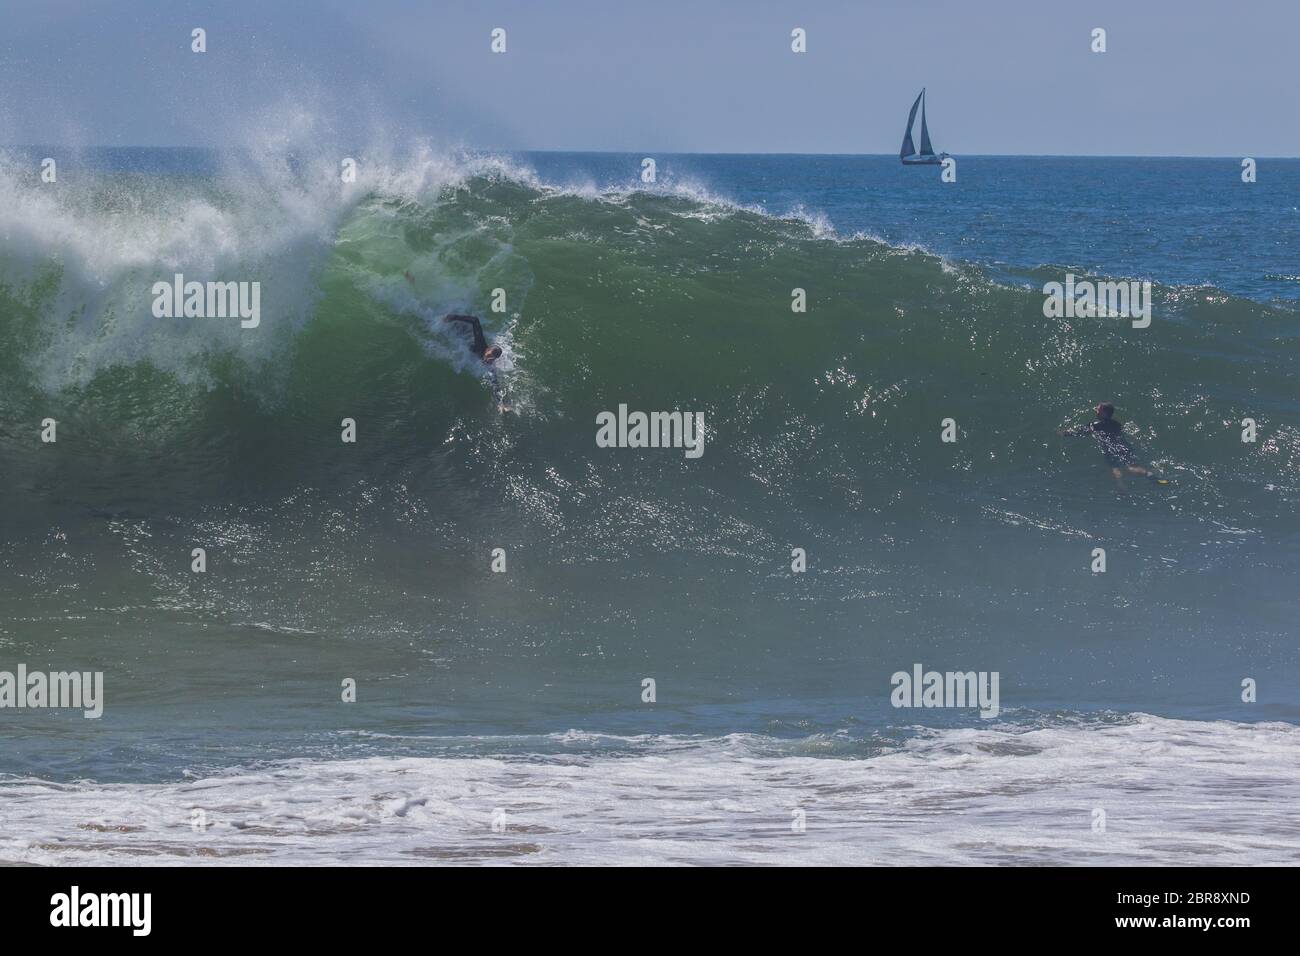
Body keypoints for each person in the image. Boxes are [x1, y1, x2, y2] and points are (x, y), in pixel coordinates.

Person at [1059, 402, 1167, 485]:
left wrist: (1064, 433)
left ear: (1104, 413)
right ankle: (1149, 475)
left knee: (1115, 468)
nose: (1096, 410)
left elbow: (1080, 432)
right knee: (1132, 466)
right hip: (1124, 446)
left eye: (1098, 409)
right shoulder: (1116, 423)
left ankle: (1121, 489)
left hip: (1110, 448)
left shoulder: (1095, 425)